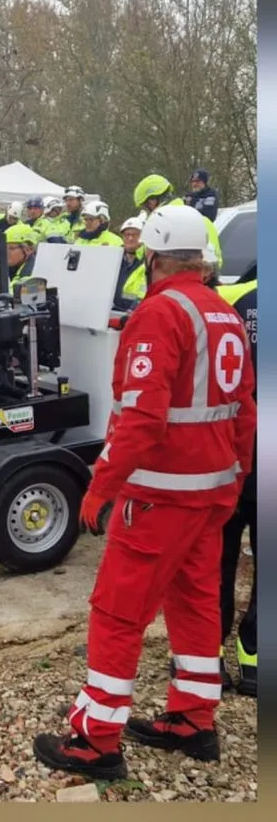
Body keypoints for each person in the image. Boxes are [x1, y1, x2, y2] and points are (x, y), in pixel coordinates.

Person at [33, 204, 256, 781]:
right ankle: (193, 719)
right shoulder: (225, 315)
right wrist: (233, 483)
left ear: (153, 258)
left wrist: (98, 489)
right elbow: (246, 414)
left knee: (117, 612)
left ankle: (96, 739)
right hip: (211, 496)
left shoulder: (159, 315)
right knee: (195, 604)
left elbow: (141, 416)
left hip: (159, 498)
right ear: (201, 260)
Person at [216, 266, 257, 697]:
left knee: (217, 562)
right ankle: (256, 659)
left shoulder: (232, 301)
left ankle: (206, 659)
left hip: (231, 459)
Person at [134, 172, 223, 268]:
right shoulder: (202, 221)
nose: (147, 214)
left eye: (145, 207)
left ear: (152, 202)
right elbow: (214, 263)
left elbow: (145, 264)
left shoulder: (157, 228)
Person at [113, 215, 146, 309]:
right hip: (112, 311)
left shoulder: (148, 261)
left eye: (135, 234)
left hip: (135, 313)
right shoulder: (116, 259)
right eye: (127, 234)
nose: (130, 238)